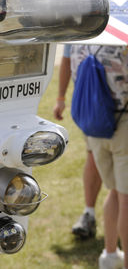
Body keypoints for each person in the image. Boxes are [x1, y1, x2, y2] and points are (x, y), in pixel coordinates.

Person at [54, 44, 128, 269]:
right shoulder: (121, 39)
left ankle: (110, 255)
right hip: (122, 126)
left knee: (114, 192)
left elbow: (68, 65)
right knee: (126, 199)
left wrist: (60, 97)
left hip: (94, 126)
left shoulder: (81, 35)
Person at [54, 45, 102, 239]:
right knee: (94, 156)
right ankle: (89, 214)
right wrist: (60, 97)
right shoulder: (84, 20)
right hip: (93, 106)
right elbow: (66, 59)